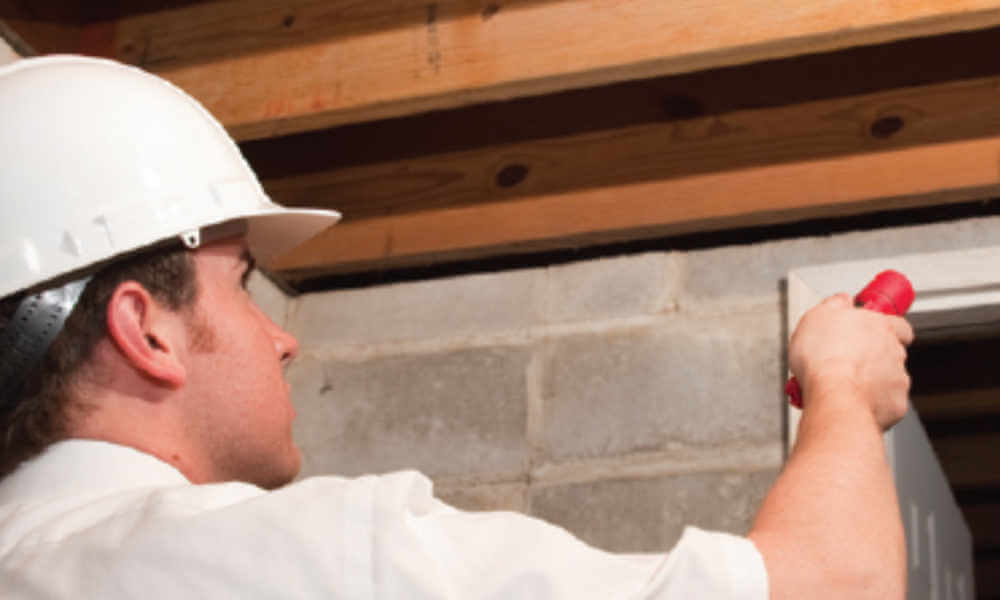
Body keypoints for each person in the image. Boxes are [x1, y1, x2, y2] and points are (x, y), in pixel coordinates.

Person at [0, 56, 912, 599]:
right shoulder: (308, 556)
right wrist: (845, 387)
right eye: (241, 286)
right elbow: (831, 589)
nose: (284, 340)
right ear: (147, 331)